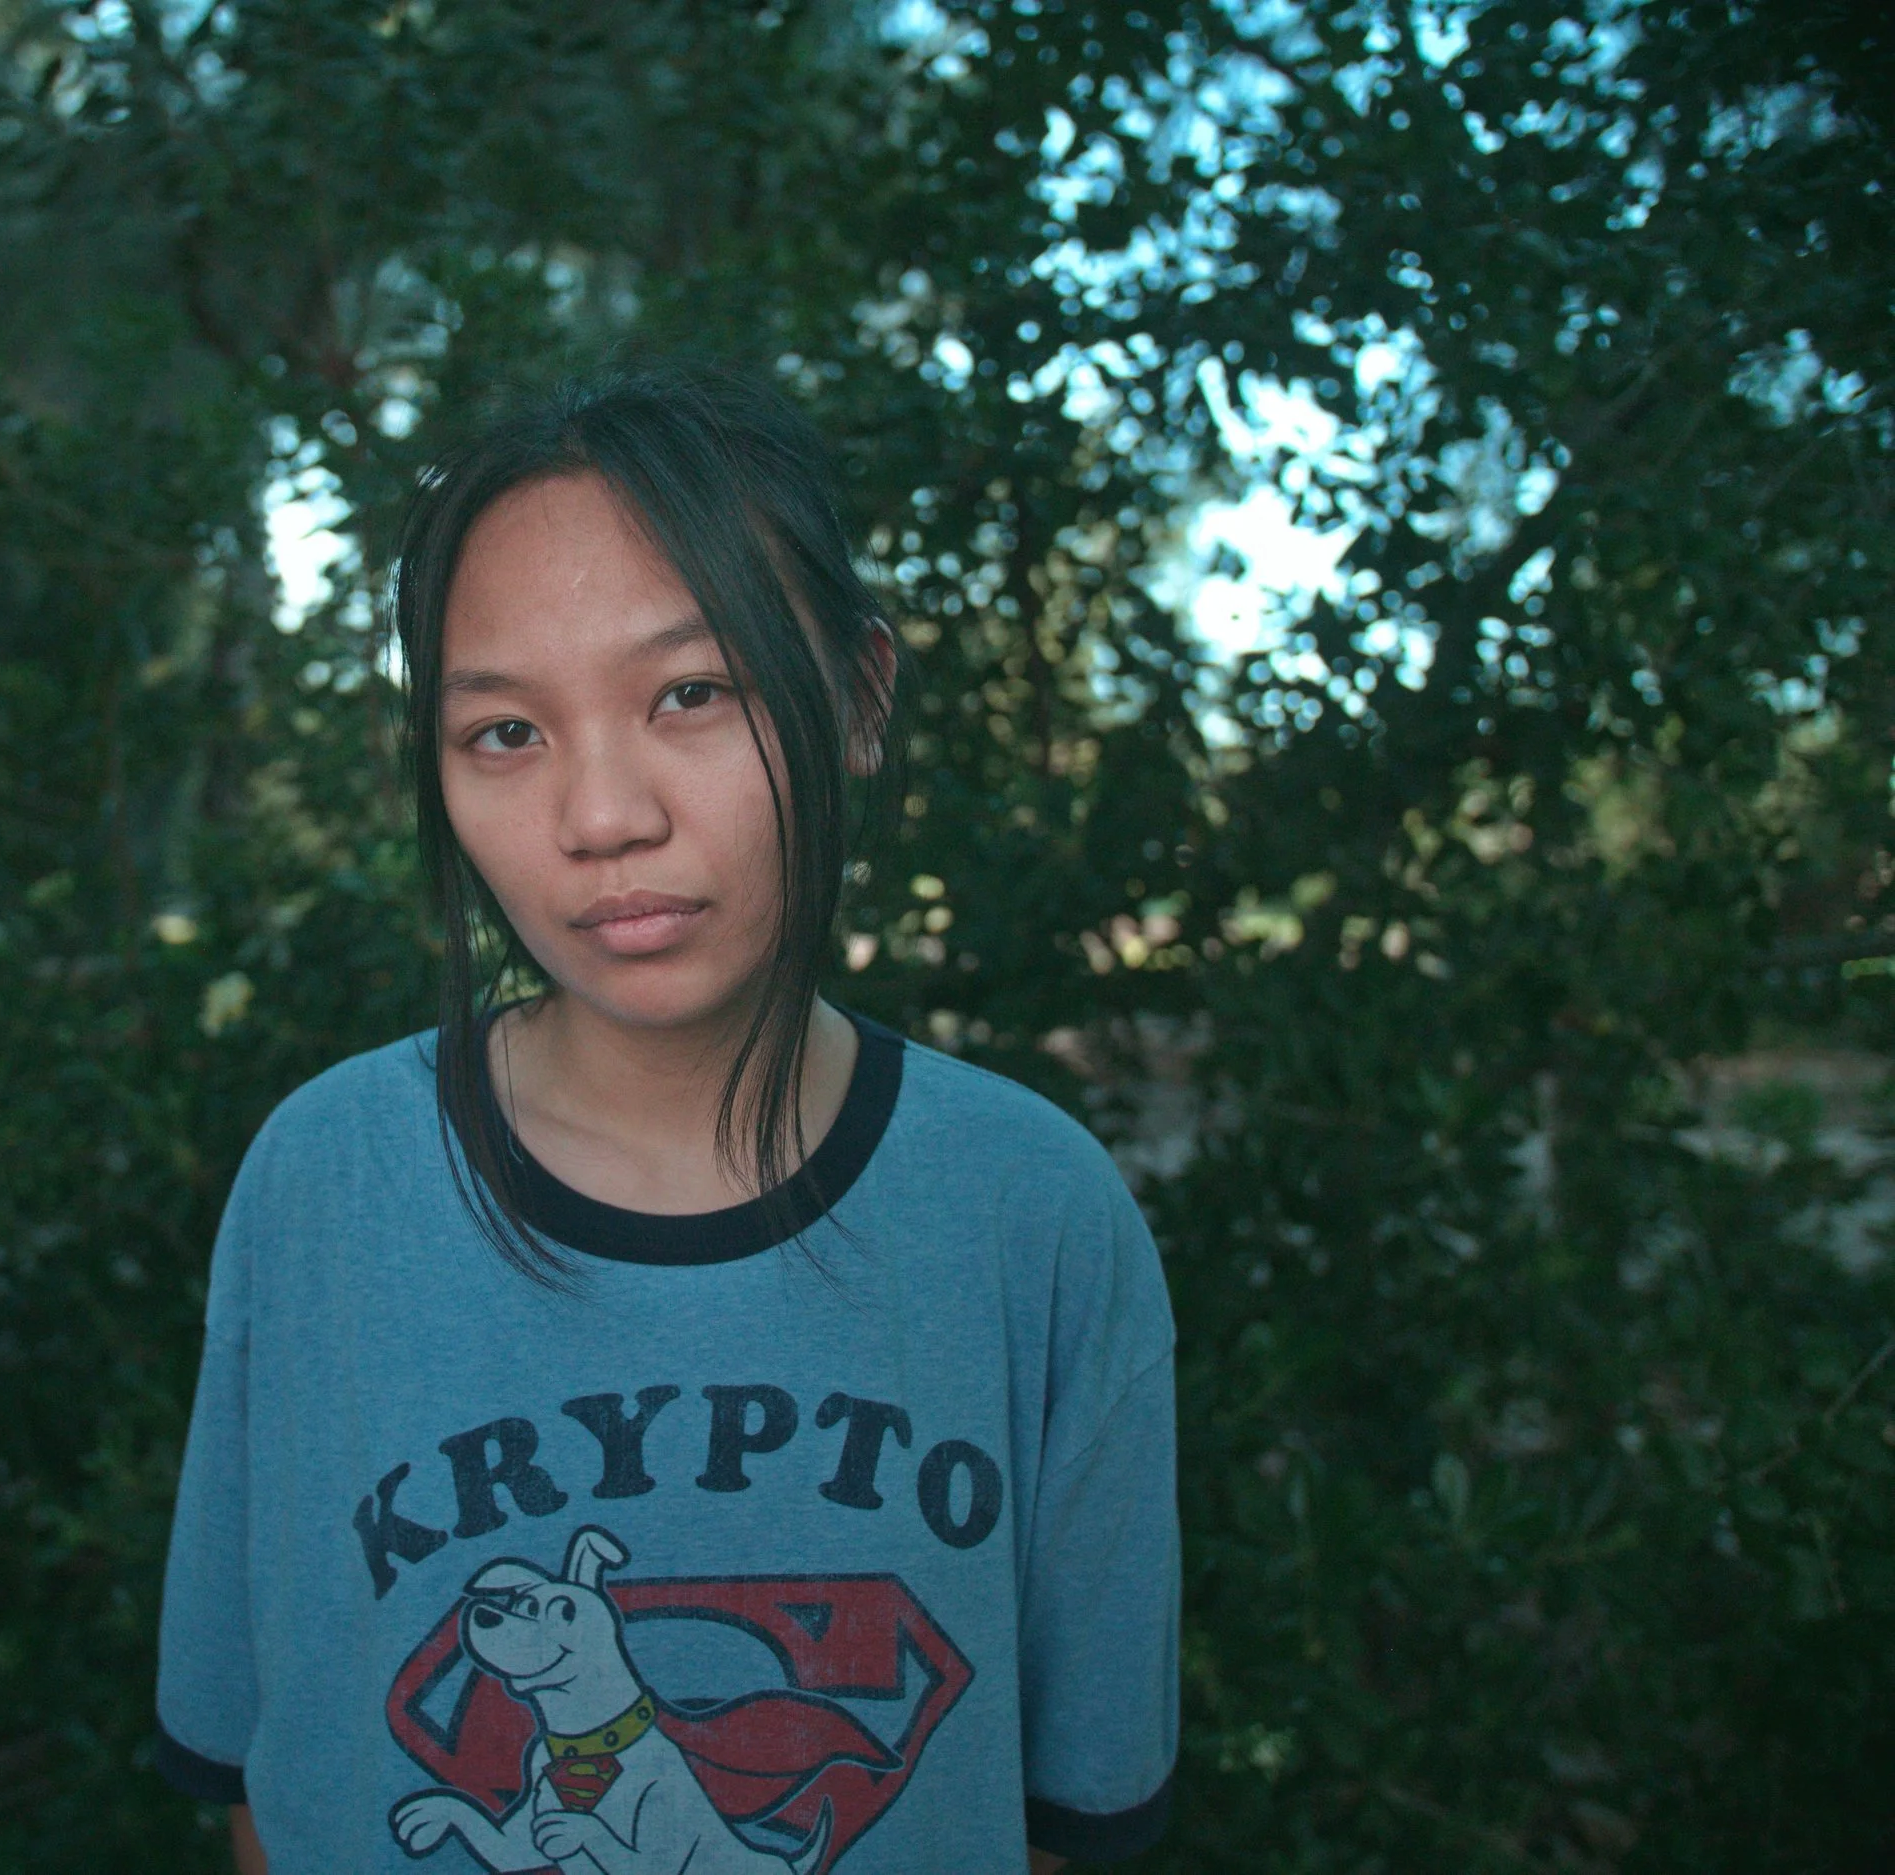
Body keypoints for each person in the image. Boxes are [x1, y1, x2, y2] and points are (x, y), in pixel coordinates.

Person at [153, 362, 1179, 1874]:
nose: (603, 815)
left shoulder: (1032, 1215)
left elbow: (1068, 1824)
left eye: (692, 694)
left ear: (860, 699)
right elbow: (264, 1775)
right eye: (505, 732)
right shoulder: (325, 1183)